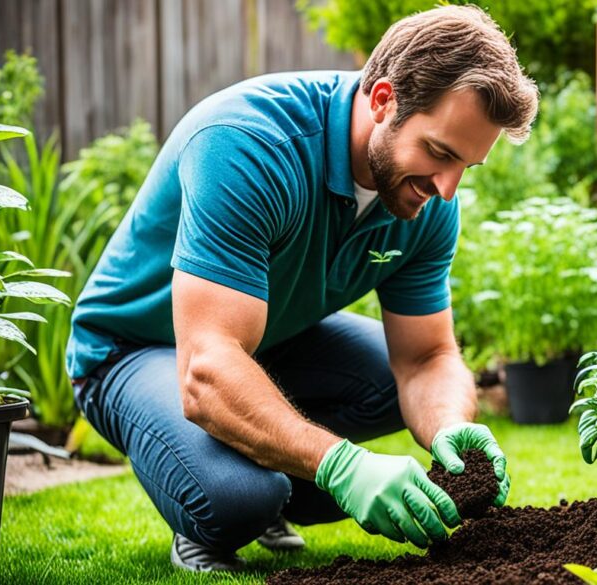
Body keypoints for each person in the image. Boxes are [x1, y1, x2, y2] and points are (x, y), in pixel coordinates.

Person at [64, 4, 538, 573]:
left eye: (467, 165)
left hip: (270, 339)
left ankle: (271, 472)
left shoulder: (428, 200)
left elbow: (426, 357)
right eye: (439, 152)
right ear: (384, 100)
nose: (446, 188)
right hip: (136, 349)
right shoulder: (249, 145)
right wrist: (342, 465)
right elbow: (207, 367)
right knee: (239, 498)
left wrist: (453, 429)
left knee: (392, 385)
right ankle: (225, 511)